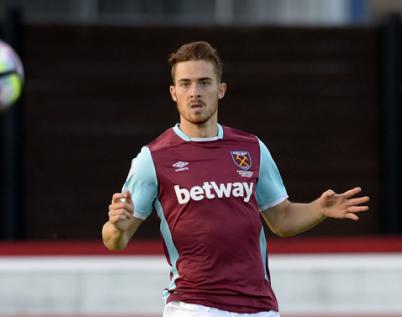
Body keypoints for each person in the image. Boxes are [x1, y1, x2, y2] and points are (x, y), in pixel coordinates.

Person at [101, 41, 370, 317]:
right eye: (185, 84)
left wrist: (318, 209)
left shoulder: (251, 148)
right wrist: (117, 226)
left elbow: (282, 219)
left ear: (221, 90)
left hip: (259, 306)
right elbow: (114, 240)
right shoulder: (153, 158)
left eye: (204, 83)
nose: (194, 92)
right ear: (173, 93)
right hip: (194, 304)